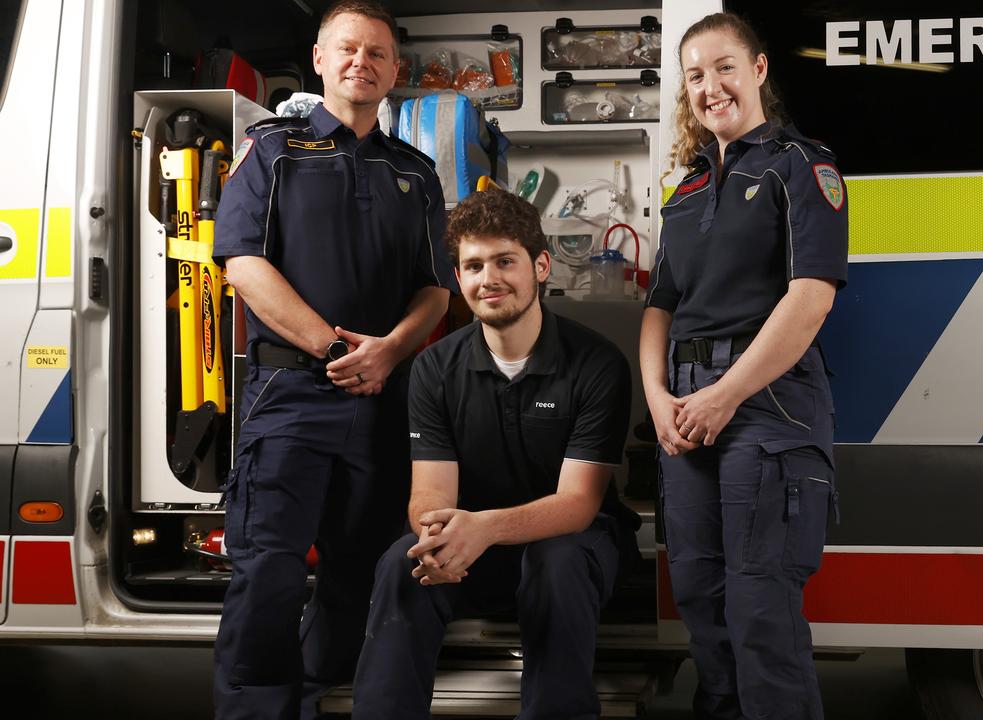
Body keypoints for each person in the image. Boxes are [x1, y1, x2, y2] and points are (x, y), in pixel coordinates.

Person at [210, 2, 456, 717]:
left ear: (395, 72)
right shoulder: (274, 149)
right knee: (269, 574)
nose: (362, 62)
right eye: (347, 49)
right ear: (319, 60)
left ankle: (313, 699)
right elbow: (242, 264)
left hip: (384, 401)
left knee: (361, 576)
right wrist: (335, 347)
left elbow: (435, 292)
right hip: (290, 393)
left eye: (377, 54)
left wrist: (387, 354)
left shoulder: (414, 173)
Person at [351, 188, 639, 720]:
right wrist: (442, 535)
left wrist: (480, 528)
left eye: (506, 261)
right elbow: (430, 497)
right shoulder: (434, 369)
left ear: (541, 266)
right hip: (474, 550)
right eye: (474, 265)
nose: (490, 279)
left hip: (575, 546)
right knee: (401, 563)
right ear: (458, 280)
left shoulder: (596, 364)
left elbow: (576, 504)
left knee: (556, 559)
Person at [638, 12, 849, 720]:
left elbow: (811, 299)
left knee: (761, 610)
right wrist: (658, 397)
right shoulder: (685, 192)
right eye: (694, 75)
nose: (710, 86)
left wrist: (726, 394)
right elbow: (659, 308)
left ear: (758, 70)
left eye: (724, 67)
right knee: (700, 598)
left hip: (767, 404)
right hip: (687, 405)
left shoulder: (800, 165)